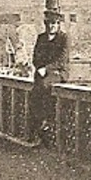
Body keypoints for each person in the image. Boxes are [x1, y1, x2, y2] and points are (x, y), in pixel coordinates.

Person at [27, 9, 69, 146]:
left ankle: (45, 122)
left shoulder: (64, 38)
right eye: (49, 23)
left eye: (55, 23)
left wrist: (47, 68)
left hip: (58, 73)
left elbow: (62, 60)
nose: (52, 26)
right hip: (42, 73)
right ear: (45, 24)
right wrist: (39, 67)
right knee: (34, 94)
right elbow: (35, 57)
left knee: (44, 87)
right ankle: (39, 127)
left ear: (59, 25)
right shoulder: (41, 38)